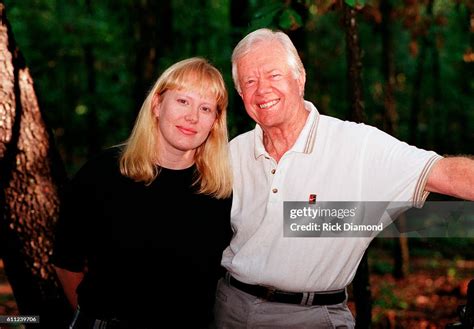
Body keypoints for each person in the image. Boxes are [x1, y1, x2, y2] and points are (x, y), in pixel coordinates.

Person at [214, 28, 474, 328]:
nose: (262, 90)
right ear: (240, 93)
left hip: (313, 316)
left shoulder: (357, 145)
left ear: (300, 78)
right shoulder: (233, 153)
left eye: (273, 75)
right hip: (229, 307)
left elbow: (444, 173)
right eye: (250, 81)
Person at [51, 57, 233, 329]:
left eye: (205, 108)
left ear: (215, 122)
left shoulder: (221, 191)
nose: (192, 117)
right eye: (183, 101)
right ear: (157, 105)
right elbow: (66, 261)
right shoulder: (102, 174)